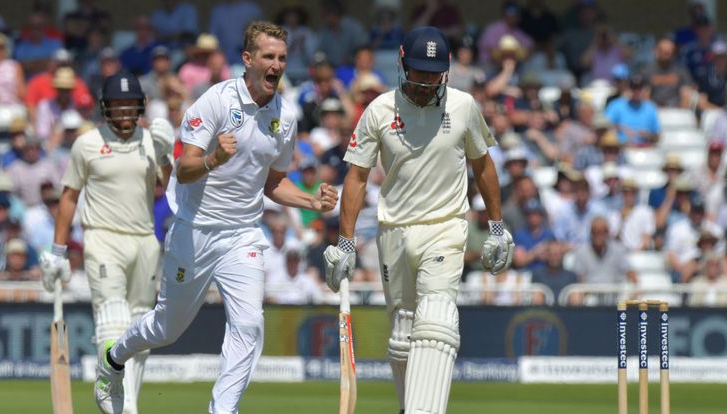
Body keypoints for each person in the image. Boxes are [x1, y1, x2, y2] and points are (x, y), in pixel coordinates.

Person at [88, 21, 337, 414]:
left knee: (249, 325)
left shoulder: (285, 117)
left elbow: (272, 183)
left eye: (282, 58)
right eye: (268, 57)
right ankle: (113, 358)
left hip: (242, 235)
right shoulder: (215, 102)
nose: (277, 65)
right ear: (248, 59)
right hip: (195, 230)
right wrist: (213, 159)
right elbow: (184, 169)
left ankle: (222, 410)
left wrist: (313, 203)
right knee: (166, 329)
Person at [323, 26, 513, 414]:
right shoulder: (379, 110)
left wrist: (496, 227)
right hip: (394, 231)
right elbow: (356, 177)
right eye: (419, 72)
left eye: (434, 73)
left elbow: (483, 164)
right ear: (402, 64)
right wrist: (344, 242)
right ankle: (409, 406)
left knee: (437, 316)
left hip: (446, 226)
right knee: (403, 331)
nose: (427, 82)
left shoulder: (462, 106)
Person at [39, 70, 175, 414]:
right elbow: (69, 196)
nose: (126, 113)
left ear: (141, 107)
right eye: (119, 106)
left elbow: (175, 191)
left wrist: (166, 154)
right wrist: (58, 250)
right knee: (113, 318)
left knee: (141, 326)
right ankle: (118, 403)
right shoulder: (86, 144)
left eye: (132, 106)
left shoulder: (149, 140)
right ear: (105, 109)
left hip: (145, 240)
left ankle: (129, 401)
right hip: (102, 237)